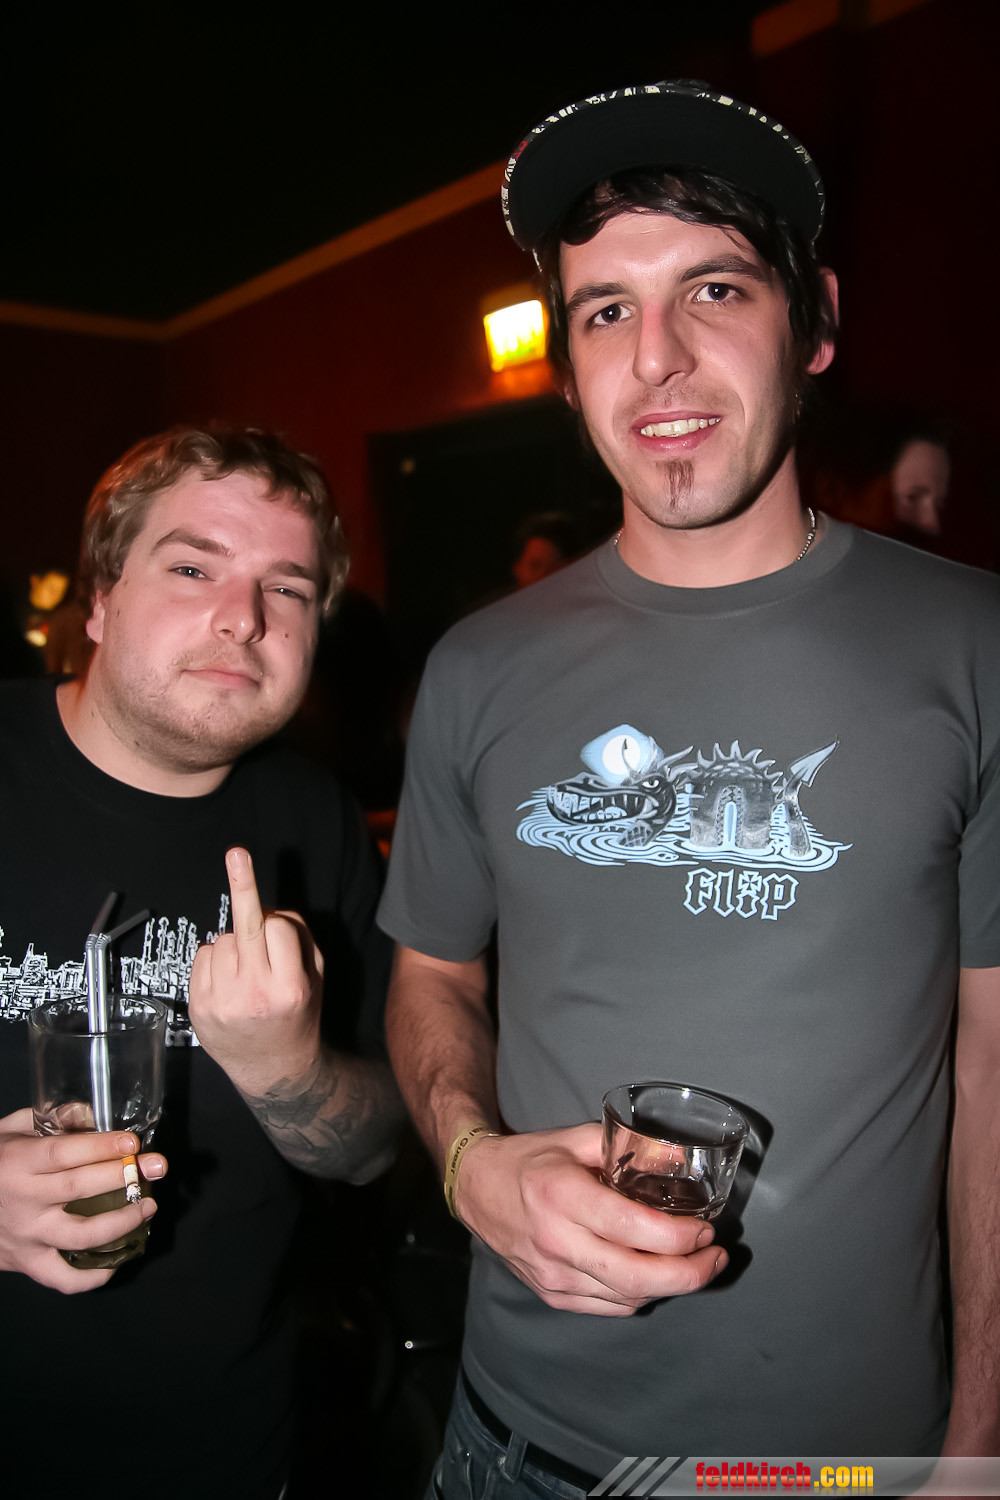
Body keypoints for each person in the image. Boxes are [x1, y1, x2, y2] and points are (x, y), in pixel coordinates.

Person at [377, 81, 1000, 1494]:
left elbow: (994, 1056)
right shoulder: (477, 666)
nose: (655, 359)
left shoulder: (977, 646)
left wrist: (980, 1442)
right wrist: (471, 1166)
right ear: (568, 365)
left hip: (844, 1467)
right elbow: (432, 975)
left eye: (712, 289)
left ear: (816, 321)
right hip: (511, 1442)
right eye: (606, 310)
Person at [0, 425, 403, 1500]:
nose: (246, 617)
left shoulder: (313, 821)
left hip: (226, 1451)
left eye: (289, 588)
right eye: (193, 568)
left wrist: (289, 1069)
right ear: (99, 599)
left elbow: (375, 1150)